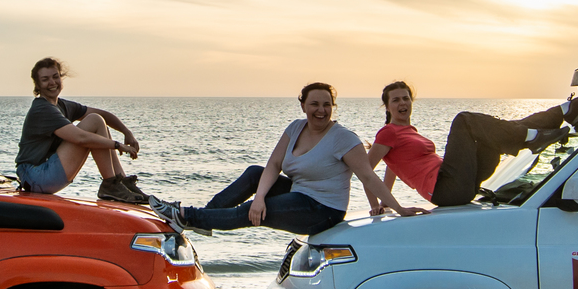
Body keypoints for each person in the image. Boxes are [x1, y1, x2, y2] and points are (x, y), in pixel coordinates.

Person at [150, 83, 417, 236]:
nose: (321, 110)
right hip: (300, 194)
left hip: (323, 210)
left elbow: (368, 176)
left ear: (333, 107)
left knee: (256, 212)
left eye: (327, 105)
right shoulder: (294, 128)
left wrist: (397, 208)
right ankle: (206, 218)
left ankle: (187, 216)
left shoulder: (343, 138)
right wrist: (259, 196)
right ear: (303, 106)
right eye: (314, 104)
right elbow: (272, 166)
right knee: (255, 174)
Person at [368, 81, 574, 209]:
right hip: (446, 189)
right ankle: (537, 132)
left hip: (464, 185)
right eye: (395, 100)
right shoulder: (388, 132)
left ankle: (559, 115)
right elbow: (366, 171)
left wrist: (385, 201)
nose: (402, 103)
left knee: (495, 132)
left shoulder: (408, 132)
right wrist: (375, 205)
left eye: (406, 98)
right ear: (387, 106)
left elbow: (393, 167)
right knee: (464, 120)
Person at [13, 58, 147, 203]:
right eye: (45, 79)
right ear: (38, 85)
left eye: (55, 77)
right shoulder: (42, 109)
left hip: (43, 175)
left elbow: (103, 115)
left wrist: (127, 132)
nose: (52, 82)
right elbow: (80, 138)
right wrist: (117, 145)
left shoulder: (62, 105)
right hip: (33, 176)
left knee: (98, 121)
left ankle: (121, 183)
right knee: (94, 121)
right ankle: (110, 184)